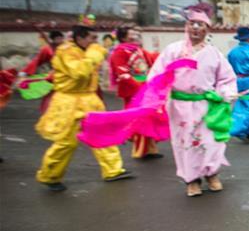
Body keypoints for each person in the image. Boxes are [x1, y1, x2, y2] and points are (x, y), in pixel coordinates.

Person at [146, 4, 238, 197]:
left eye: (200, 24)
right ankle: (192, 179)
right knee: (185, 143)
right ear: (186, 27)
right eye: (192, 23)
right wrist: (157, 97)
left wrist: (224, 93)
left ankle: (212, 174)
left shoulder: (214, 54)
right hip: (180, 107)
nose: (196, 28)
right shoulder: (173, 51)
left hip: (206, 106)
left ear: (207, 29)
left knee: (211, 142)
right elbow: (157, 75)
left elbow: (227, 78)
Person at [35, 25, 132, 191]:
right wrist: (94, 54)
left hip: (89, 99)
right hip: (68, 101)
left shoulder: (86, 50)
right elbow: (79, 71)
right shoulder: (65, 51)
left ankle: (113, 170)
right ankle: (50, 176)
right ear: (80, 38)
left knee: (102, 134)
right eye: (92, 38)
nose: (95, 42)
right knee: (66, 142)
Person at [109, 26, 162, 159]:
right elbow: (123, 74)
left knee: (148, 118)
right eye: (132, 34)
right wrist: (139, 88)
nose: (136, 36)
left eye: (137, 34)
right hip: (133, 91)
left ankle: (150, 148)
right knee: (139, 119)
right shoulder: (119, 52)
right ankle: (140, 150)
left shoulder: (138, 50)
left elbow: (152, 59)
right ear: (123, 38)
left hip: (144, 88)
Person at [21, 30, 65, 113]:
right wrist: (25, 72)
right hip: (56, 75)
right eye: (58, 38)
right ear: (53, 40)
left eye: (61, 38)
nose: (60, 40)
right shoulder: (47, 50)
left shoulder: (68, 47)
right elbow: (37, 61)